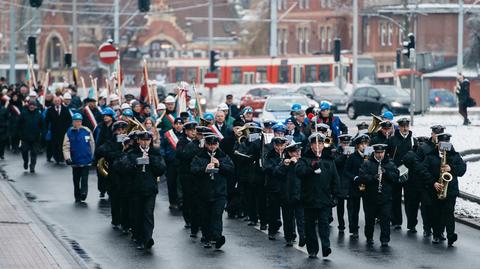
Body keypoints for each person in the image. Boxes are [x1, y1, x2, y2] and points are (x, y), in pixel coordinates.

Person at [118, 131, 165, 250]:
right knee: (137, 215)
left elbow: (161, 169)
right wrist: (136, 163)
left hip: (150, 189)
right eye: (143, 140)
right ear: (138, 140)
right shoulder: (132, 153)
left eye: (147, 140)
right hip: (135, 189)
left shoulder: (155, 153)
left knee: (148, 214)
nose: (145, 142)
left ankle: (148, 238)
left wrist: (151, 160)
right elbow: (123, 168)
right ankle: (139, 237)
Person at [296, 133, 339, 258]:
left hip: (324, 198)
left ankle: (326, 247)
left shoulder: (328, 160)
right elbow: (299, 172)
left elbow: (335, 178)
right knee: (309, 226)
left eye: (320, 143)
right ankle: (313, 249)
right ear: (311, 145)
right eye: (315, 143)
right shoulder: (305, 159)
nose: (318, 146)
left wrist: (336, 194)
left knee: (324, 224)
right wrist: (312, 168)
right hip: (309, 198)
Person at [420, 133, 466, 246]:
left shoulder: (455, 156)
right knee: (436, 213)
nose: (445, 145)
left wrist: (451, 168)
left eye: (447, 143)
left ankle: (451, 235)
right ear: (438, 143)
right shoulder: (431, 156)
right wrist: (433, 182)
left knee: (449, 212)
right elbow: (423, 171)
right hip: (435, 189)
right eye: (442, 143)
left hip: (451, 190)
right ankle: (437, 234)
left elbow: (462, 169)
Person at [191, 134, 234, 249]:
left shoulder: (223, 156)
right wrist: (204, 169)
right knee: (205, 216)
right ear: (205, 145)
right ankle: (207, 237)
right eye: (210, 144)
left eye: (214, 144)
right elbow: (193, 170)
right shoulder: (199, 156)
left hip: (219, 192)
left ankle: (217, 237)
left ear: (218, 144)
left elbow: (231, 169)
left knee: (217, 215)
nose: (212, 147)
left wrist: (220, 165)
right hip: (203, 192)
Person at [358, 144, 399, 247]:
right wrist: (373, 178)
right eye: (378, 153)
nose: (380, 155)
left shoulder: (390, 164)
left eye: (381, 153)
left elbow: (396, 178)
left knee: (385, 219)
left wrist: (386, 173)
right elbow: (362, 177)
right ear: (374, 153)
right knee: (369, 219)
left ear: (384, 153)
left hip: (385, 197)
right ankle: (369, 237)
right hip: (370, 197)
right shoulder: (367, 163)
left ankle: (385, 239)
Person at [95, 120, 128, 227]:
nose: (121, 132)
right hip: (114, 175)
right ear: (114, 132)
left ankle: (125, 221)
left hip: (127, 174)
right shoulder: (110, 142)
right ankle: (116, 219)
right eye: (119, 130)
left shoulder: (130, 141)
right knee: (115, 198)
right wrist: (117, 153)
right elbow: (99, 151)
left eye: (123, 130)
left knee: (126, 199)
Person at [386, 117, 416, 230]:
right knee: (395, 197)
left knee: (410, 199)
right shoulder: (392, 140)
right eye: (403, 126)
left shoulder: (413, 140)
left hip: (409, 172)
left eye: (407, 126)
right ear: (399, 127)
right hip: (396, 171)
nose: (405, 128)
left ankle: (411, 224)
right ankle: (396, 221)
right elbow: (387, 156)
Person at [275, 141, 305, 247]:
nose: (298, 154)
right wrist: (285, 165)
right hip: (287, 195)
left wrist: (297, 163)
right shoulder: (284, 162)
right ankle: (289, 237)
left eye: (299, 151)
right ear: (290, 153)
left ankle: (302, 237)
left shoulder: (302, 162)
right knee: (288, 219)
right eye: (296, 152)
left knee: (301, 219)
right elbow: (277, 173)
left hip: (300, 195)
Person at [342, 134, 370, 239]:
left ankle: (369, 232)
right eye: (362, 144)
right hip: (355, 186)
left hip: (367, 186)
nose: (364, 146)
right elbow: (346, 171)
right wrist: (354, 177)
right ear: (358, 146)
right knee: (354, 209)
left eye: (366, 144)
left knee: (368, 209)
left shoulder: (369, 156)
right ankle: (354, 229)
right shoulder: (353, 157)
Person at [63, 113, 95, 203]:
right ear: (73, 122)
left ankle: (84, 192)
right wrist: (67, 158)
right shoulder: (69, 132)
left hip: (86, 160)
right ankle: (77, 195)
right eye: (76, 121)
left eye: (80, 121)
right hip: (75, 160)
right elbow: (65, 146)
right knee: (76, 179)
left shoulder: (87, 131)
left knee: (84, 178)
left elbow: (92, 144)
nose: (78, 123)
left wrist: (92, 156)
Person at [263, 136, 289, 240]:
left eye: (282, 145)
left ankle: (289, 235)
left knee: (287, 213)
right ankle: (272, 231)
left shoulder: (288, 154)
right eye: (277, 145)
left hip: (286, 187)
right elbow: (269, 168)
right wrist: (282, 165)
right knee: (273, 210)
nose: (280, 148)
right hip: (273, 187)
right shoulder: (269, 155)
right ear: (274, 145)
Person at [175, 121, 198, 229]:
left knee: (197, 197)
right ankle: (188, 219)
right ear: (186, 132)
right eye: (191, 130)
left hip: (197, 173)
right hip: (186, 174)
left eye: (195, 130)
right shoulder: (182, 142)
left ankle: (197, 219)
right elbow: (183, 155)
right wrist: (193, 146)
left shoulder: (199, 141)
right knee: (187, 197)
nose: (193, 132)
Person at [161, 117, 184, 209]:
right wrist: (164, 156)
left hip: (181, 162)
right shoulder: (168, 135)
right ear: (173, 125)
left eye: (180, 124)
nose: (178, 126)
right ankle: (172, 201)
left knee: (181, 183)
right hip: (170, 163)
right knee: (171, 183)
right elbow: (162, 147)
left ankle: (181, 201)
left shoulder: (185, 135)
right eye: (176, 124)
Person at [333, 134, 352, 233]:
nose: (346, 145)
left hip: (350, 182)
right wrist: (344, 155)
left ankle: (352, 225)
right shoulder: (336, 151)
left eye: (348, 143)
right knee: (340, 206)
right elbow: (336, 162)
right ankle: (341, 225)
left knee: (351, 206)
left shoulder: (353, 152)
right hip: (340, 181)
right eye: (344, 143)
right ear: (340, 143)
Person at [45, 96, 72, 164]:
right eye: (55, 101)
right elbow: (47, 120)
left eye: (58, 101)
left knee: (62, 144)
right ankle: (56, 157)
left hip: (63, 130)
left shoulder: (65, 109)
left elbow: (69, 119)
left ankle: (62, 157)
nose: (57, 102)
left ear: (60, 101)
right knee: (55, 144)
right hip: (54, 130)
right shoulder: (50, 110)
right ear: (54, 102)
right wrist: (46, 129)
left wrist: (67, 127)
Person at [19, 100, 43, 173]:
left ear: (35, 106)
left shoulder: (38, 114)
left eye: (33, 105)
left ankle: (32, 166)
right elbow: (19, 125)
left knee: (34, 152)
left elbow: (42, 125)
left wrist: (41, 132)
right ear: (28, 106)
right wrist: (20, 134)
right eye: (30, 105)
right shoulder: (24, 113)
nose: (32, 106)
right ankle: (25, 161)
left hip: (35, 137)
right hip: (25, 137)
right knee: (24, 151)